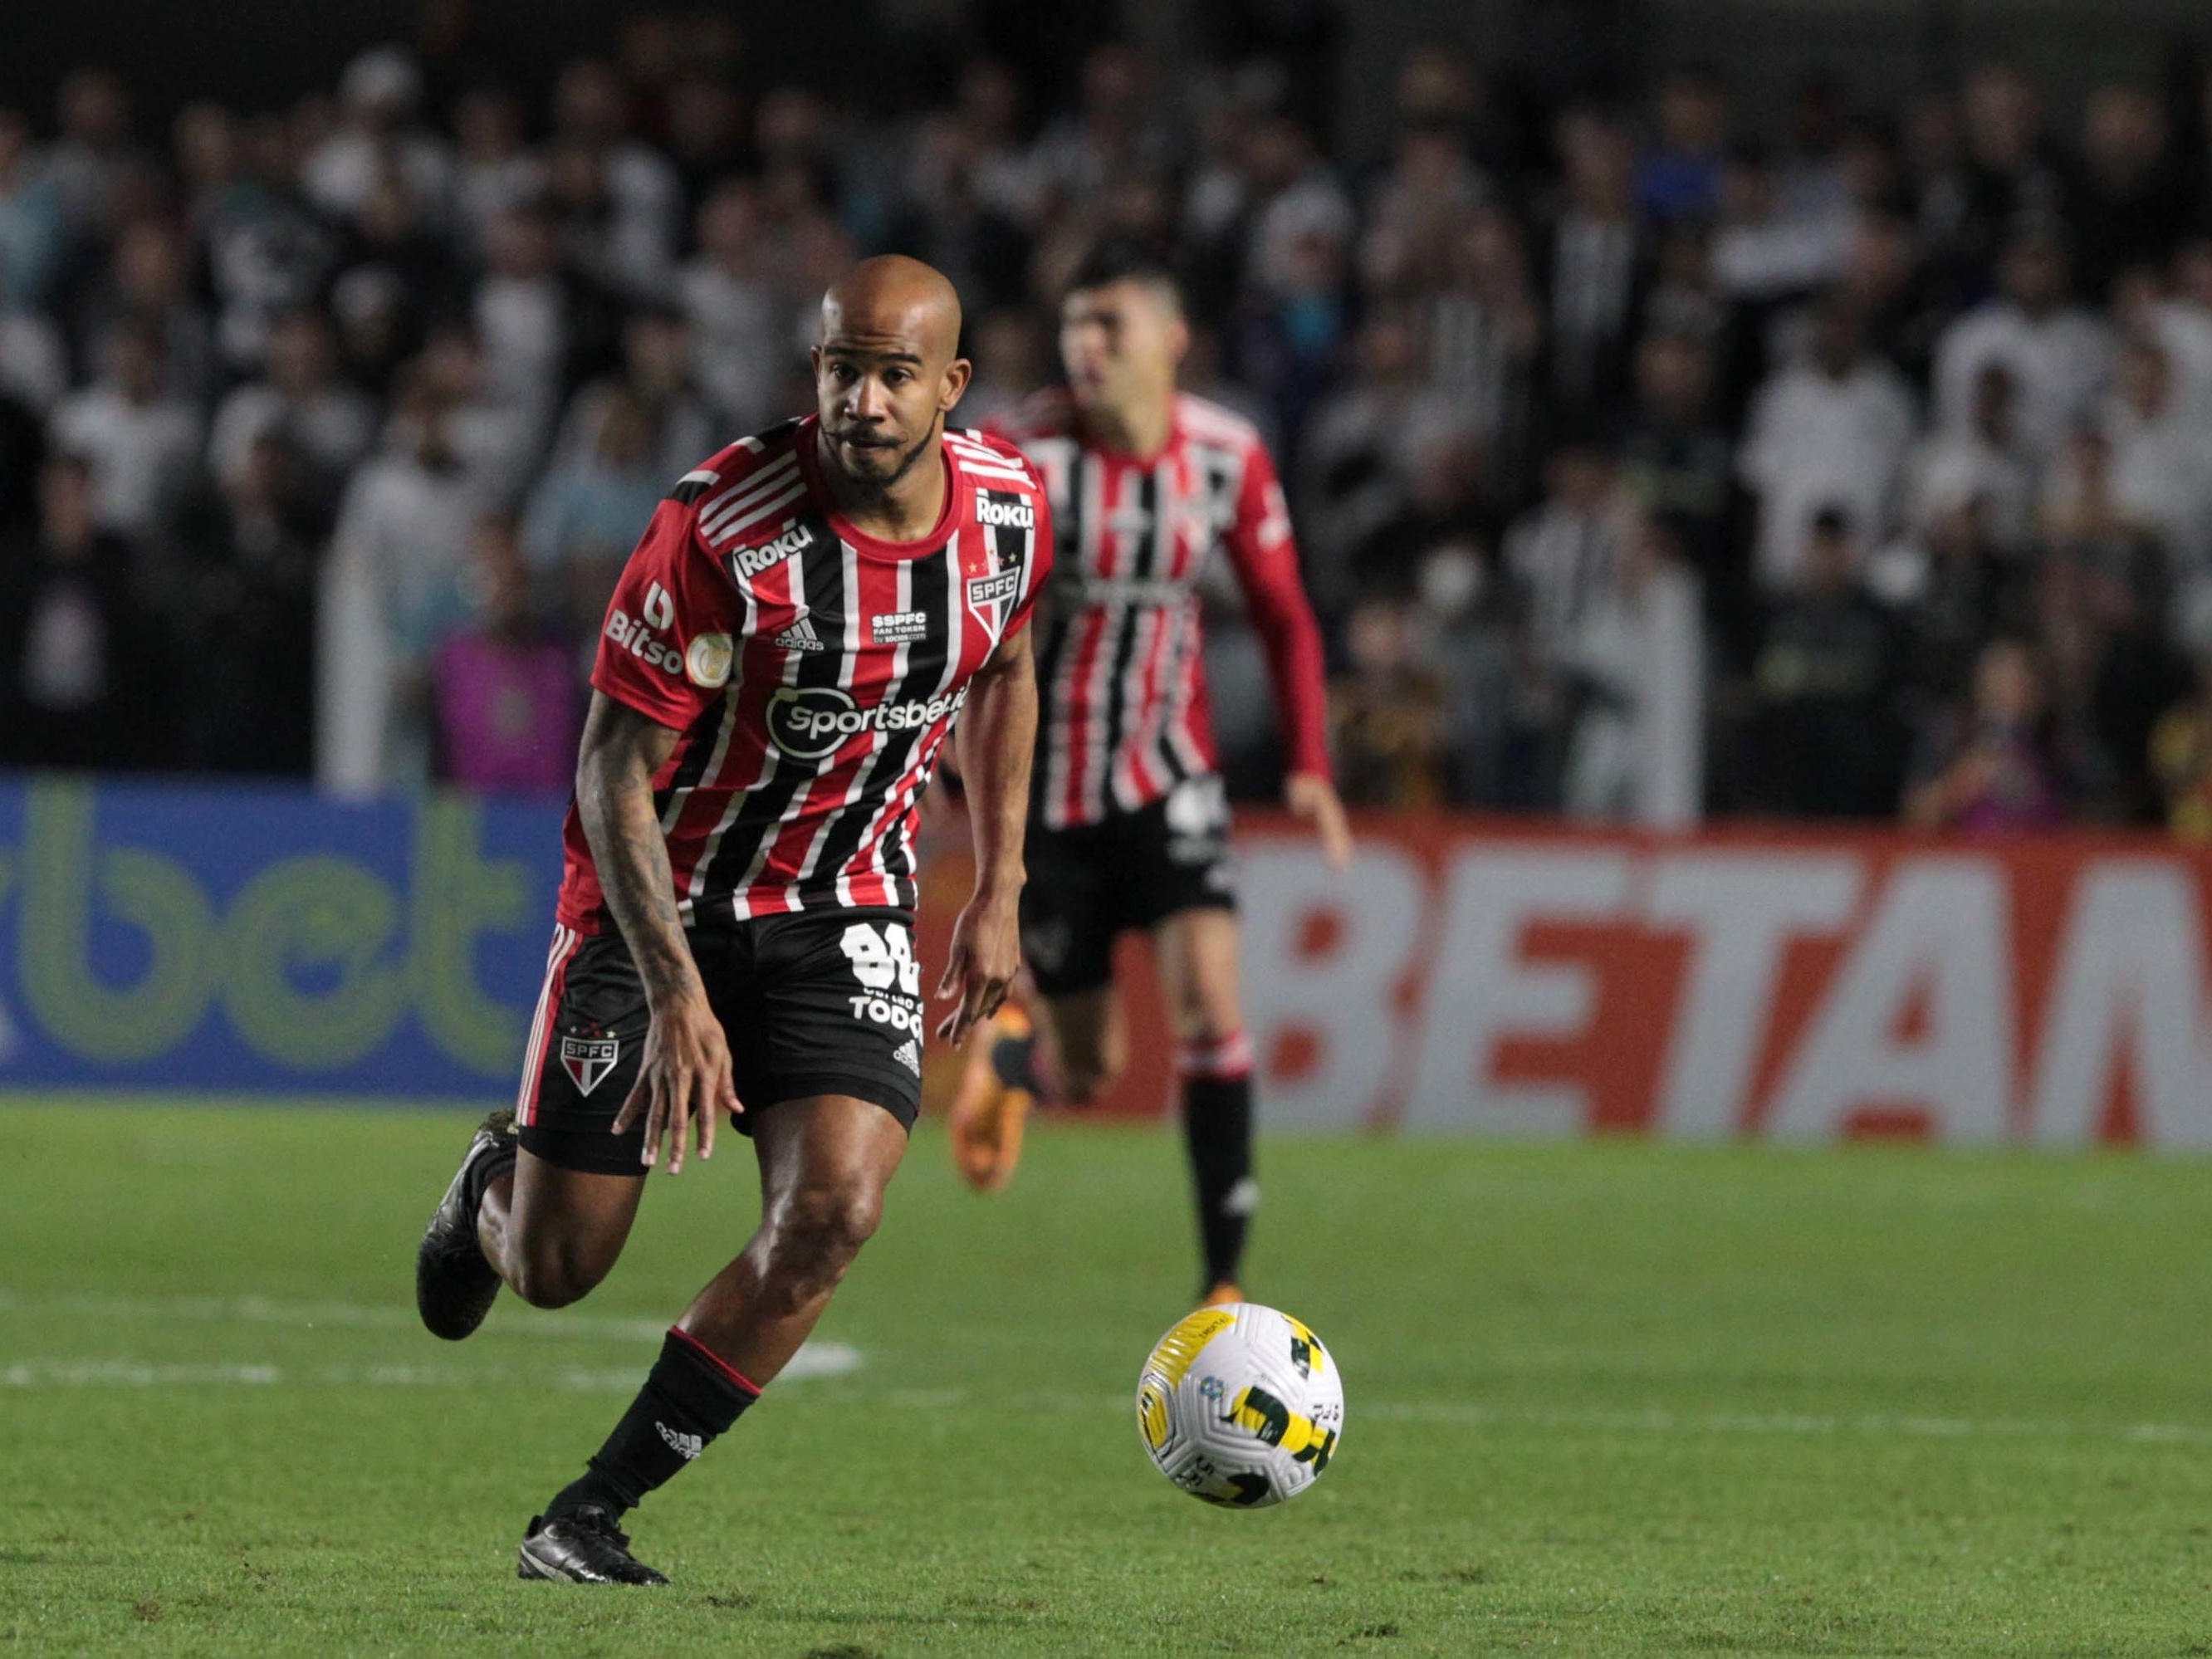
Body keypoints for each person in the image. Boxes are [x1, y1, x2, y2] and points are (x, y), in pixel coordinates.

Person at [412, 256, 1050, 1586]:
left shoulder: (1007, 513)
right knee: (556, 1264)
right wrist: (676, 991)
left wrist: (998, 883)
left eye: (892, 373)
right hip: (662, 904)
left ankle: (589, 1512)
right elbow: (606, 772)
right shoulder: (721, 532)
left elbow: (1005, 670)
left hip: (844, 902)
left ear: (952, 386)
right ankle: (490, 1191)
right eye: (840, 368)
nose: (862, 401)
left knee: (835, 1211)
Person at [955, 241, 1349, 1308]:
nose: (1085, 346)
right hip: (1046, 802)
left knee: (1214, 1007)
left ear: (1170, 342)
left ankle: (1223, 1281)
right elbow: (971, 634)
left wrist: (1311, 761)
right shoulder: (1017, 456)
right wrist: (954, 772)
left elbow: (1281, 610)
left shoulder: (1225, 454)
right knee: (1090, 1072)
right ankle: (1016, 1058)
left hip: (1170, 775)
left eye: (1109, 326)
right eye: (1074, 326)